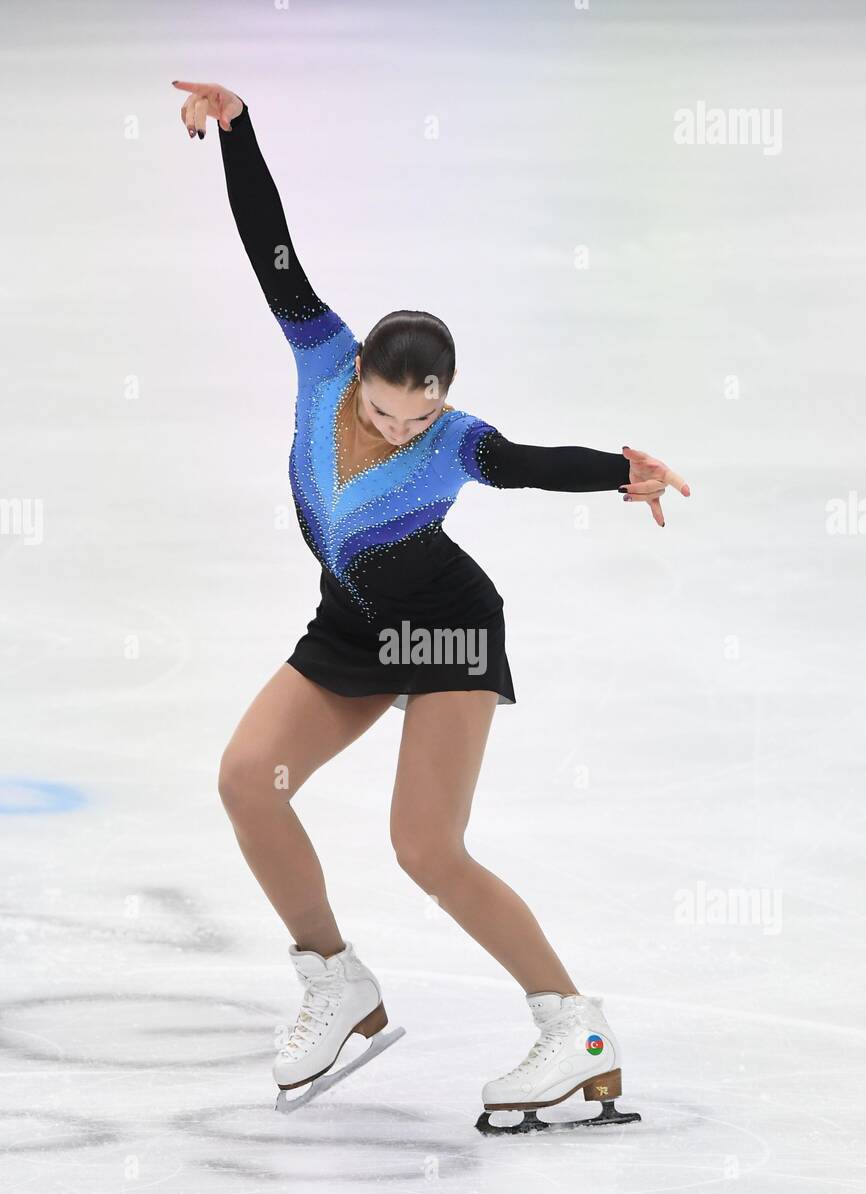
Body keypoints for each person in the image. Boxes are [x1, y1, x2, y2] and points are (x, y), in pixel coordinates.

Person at [172, 81, 690, 1120]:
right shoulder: (322, 356)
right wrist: (236, 130)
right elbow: (271, 249)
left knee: (425, 848)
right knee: (247, 779)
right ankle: (335, 979)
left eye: (418, 419)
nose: (399, 430)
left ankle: (573, 1027)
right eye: (383, 411)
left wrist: (619, 473)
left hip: (445, 630)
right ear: (359, 370)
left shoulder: (459, 442)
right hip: (351, 624)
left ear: (442, 401)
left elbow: (531, 462)